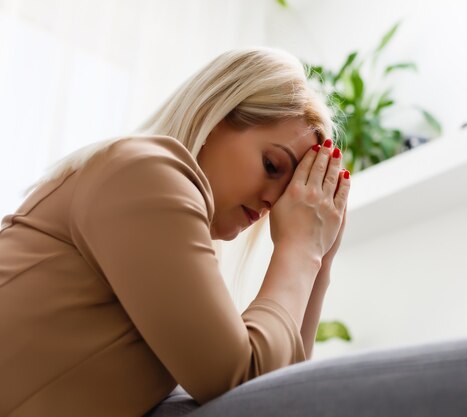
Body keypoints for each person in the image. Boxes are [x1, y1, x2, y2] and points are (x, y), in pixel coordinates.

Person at [0, 47, 350, 417]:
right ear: (213, 116)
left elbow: (284, 396)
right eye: (271, 165)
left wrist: (321, 260)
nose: (272, 205)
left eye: (285, 196)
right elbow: (241, 381)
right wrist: (301, 249)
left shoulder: (160, 225)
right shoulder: (145, 174)